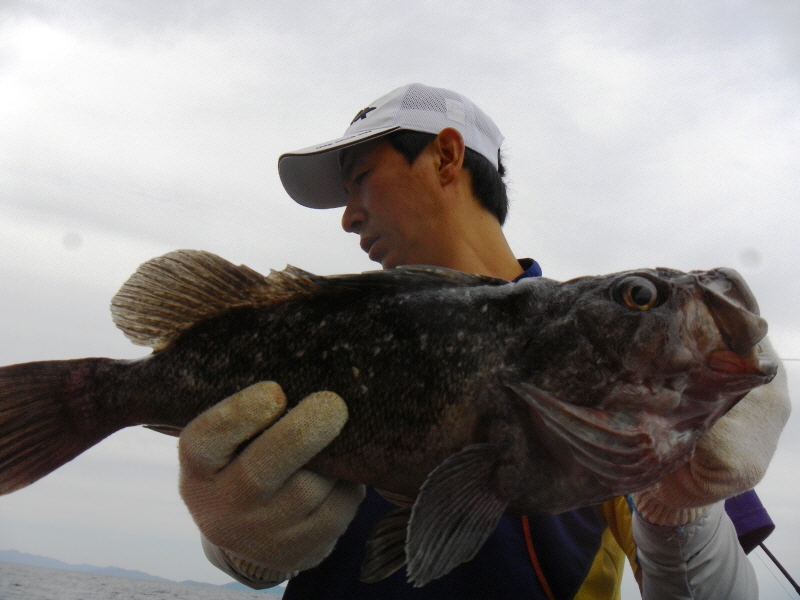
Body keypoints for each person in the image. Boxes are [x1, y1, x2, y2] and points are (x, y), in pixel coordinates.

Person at [178, 84, 791, 598]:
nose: (348, 216)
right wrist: (236, 543)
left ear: (447, 156)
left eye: (360, 179)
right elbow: (256, 546)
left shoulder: (620, 357)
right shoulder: (327, 339)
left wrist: (682, 506)